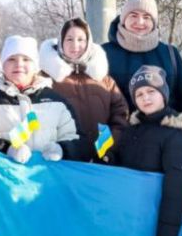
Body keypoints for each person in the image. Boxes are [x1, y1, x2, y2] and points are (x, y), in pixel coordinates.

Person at [106, 65, 182, 236]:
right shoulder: (131, 131)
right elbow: (121, 170)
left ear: (163, 94)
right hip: (129, 223)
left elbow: (177, 189)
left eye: (151, 91)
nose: (145, 98)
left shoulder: (175, 135)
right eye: (139, 94)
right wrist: (107, 159)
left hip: (155, 230)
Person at [0, 36, 83, 163]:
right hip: (6, 178)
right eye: (11, 59)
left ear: (36, 66)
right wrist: (7, 149)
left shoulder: (57, 101)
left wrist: (62, 149)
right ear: (3, 65)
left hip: (49, 178)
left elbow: (77, 139)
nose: (19, 64)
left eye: (26, 59)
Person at [39, 18, 129, 162]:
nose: (75, 45)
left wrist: (107, 148)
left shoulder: (103, 79)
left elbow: (121, 114)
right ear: (61, 41)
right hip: (62, 160)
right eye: (69, 39)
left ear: (88, 42)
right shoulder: (46, 79)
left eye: (81, 39)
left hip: (102, 160)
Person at [103, 0, 182, 113]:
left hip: (165, 131)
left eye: (146, 17)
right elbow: (97, 104)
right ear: (124, 19)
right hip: (121, 131)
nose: (140, 22)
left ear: (154, 22)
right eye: (133, 15)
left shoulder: (170, 54)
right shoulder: (103, 54)